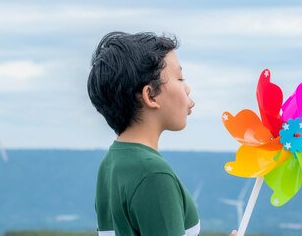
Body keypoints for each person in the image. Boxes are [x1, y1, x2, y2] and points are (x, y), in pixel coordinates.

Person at [87, 31, 237, 236]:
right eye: (180, 77)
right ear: (150, 96)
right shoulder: (153, 173)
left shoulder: (111, 163)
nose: (188, 88)